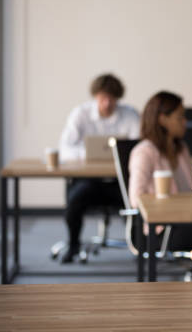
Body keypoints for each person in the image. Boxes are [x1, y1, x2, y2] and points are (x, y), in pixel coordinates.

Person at [128, 91, 192, 269]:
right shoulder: (144, 152)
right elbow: (136, 199)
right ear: (163, 119)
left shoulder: (181, 148)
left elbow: (190, 189)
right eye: (180, 117)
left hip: (187, 219)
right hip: (163, 230)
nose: (185, 122)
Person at [58, 73, 140, 263]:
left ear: (118, 98)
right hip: (89, 181)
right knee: (74, 202)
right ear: (95, 96)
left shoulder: (130, 115)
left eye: (112, 98)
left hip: (120, 182)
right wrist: (87, 155)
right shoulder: (80, 114)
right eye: (103, 98)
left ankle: (139, 248)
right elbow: (65, 148)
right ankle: (73, 245)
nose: (107, 103)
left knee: (138, 201)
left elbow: (140, 148)